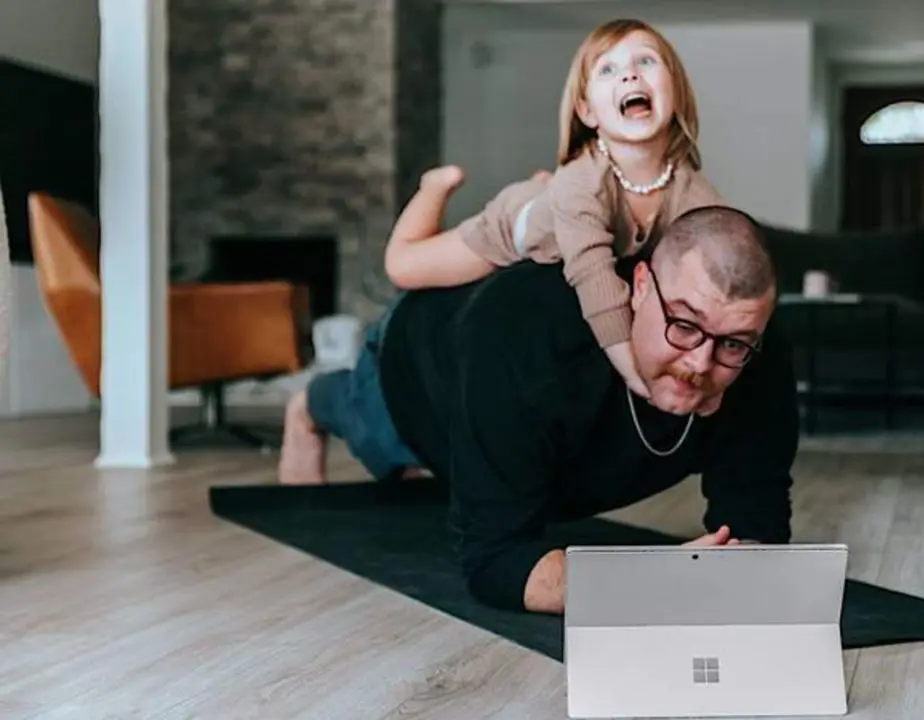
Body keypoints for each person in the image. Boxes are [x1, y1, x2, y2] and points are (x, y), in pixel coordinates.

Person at [278, 205, 799, 615]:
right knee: (375, 432)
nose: (701, 363)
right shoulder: (524, 343)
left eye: (732, 344)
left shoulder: (756, 354)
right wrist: (653, 581)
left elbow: (755, 531)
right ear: (640, 287)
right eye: (683, 325)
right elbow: (494, 563)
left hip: (541, 432)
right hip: (420, 365)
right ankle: (313, 403)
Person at [381, 18, 724, 402]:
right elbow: (595, 280)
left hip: (561, 201)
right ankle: (435, 186)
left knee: (560, 198)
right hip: (512, 227)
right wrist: (637, 376)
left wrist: (711, 382)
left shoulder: (695, 192)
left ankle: (544, 188)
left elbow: (720, 276)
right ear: (587, 112)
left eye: (645, 62)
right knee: (403, 267)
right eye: (608, 69)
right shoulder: (582, 184)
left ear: (675, 90)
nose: (629, 75)